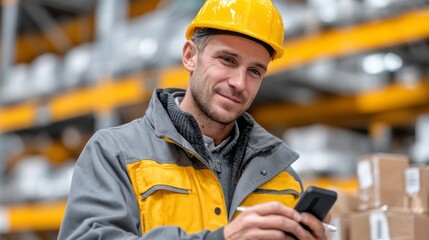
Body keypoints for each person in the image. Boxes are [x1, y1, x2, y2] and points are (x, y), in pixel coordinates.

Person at [58, 0, 331, 239]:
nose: (239, 83)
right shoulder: (115, 153)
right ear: (190, 56)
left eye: (255, 71)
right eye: (227, 60)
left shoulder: (282, 177)